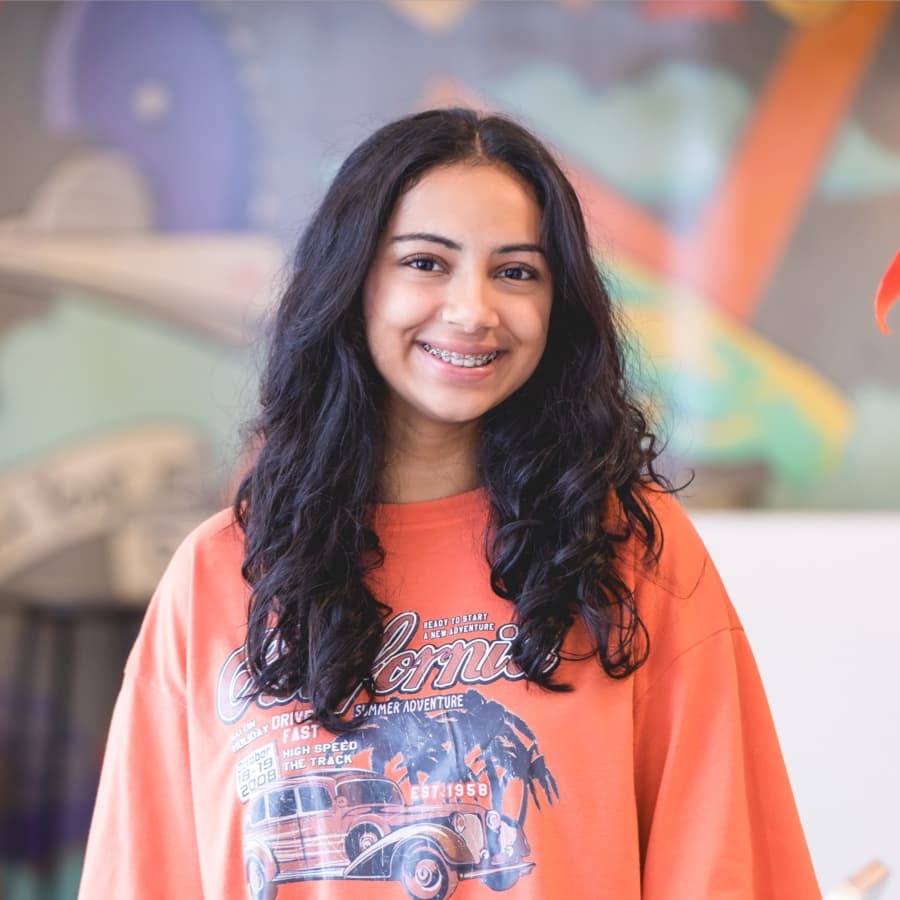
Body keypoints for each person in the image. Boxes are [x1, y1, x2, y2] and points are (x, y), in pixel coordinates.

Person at [78, 108, 820, 900]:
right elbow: (146, 872)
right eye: (426, 263)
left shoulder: (628, 550)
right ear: (353, 282)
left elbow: (722, 863)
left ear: (556, 305)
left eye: (517, 271)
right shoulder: (219, 574)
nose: (473, 310)